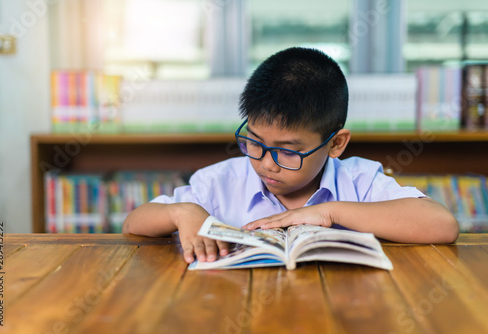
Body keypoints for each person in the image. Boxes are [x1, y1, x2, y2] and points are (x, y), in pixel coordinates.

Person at [122, 47, 459, 264]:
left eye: (287, 151)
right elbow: (132, 225)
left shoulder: (360, 181)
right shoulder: (220, 181)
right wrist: (181, 213)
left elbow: (442, 225)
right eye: (254, 142)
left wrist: (329, 213)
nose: (266, 163)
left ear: (336, 144)